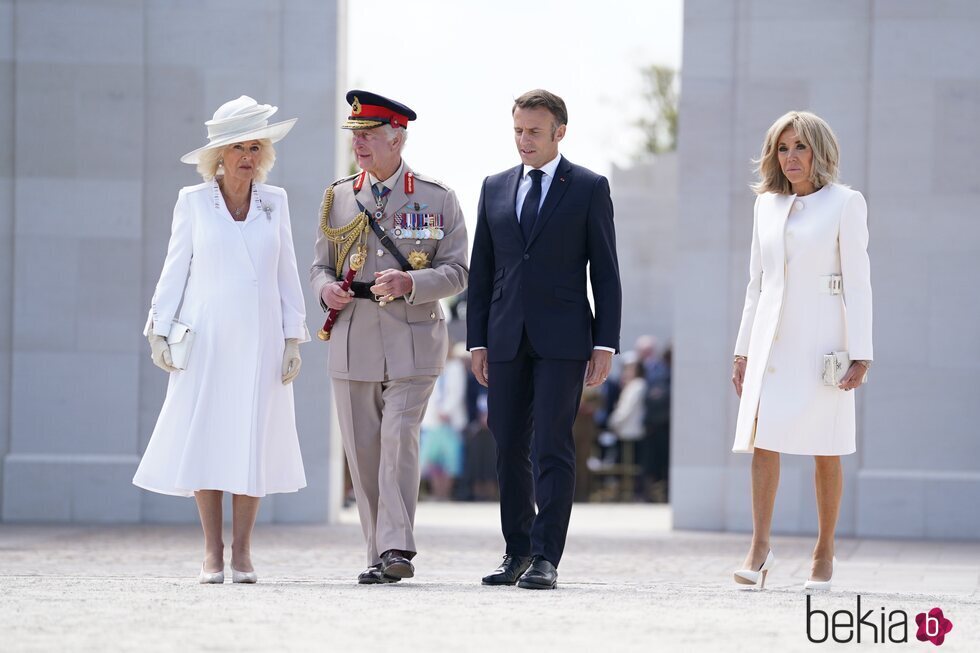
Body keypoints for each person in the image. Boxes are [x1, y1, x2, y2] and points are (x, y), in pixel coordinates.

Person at [134, 96, 309, 584]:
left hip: (261, 342)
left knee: (251, 439)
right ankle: (212, 552)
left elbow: (286, 272)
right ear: (219, 155)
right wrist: (159, 330)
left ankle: (244, 553)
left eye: (256, 146)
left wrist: (293, 337)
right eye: (238, 147)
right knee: (208, 437)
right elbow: (175, 270)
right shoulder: (193, 202)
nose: (247, 156)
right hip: (207, 340)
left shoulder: (277, 202)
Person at [311, 90, 468, 585]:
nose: (359, 145)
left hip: (414, 337)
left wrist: (412, 284)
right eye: (355, 136)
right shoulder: (337, 197)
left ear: (397, 139)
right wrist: (325, 291)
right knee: (363, 449)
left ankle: (396, 546)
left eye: (369, 136)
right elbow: (319, 265)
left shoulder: (436, 197)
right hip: (354, 335)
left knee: (398, 437)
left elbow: (460, 270)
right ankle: (378, 550)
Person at [467, 89, 622, 589]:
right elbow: (483, 271)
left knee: (553, 445)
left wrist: (605, 343)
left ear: (560, 132)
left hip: (564, 339)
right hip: (505, 337)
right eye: (517, 130)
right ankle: (515, 552)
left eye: (534, 131)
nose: (523, 140)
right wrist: (476, 341)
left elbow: (606, 272)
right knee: (508, 445)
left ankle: (546, 557)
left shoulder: (589, 188)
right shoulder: (493, 187)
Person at [730, 111, 872, 591]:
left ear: (819, 151)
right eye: (782, 148)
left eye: (799, 147)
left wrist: (862, 351)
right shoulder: (764, 207)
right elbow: (756, 284)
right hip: (772, 342)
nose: (790, 158)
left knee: (824, 447)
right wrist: (742, 351)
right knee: (763, 441)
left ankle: (824, 550)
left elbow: (860, 282)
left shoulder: (846, 203)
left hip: (823, 343)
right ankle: (759, 548)